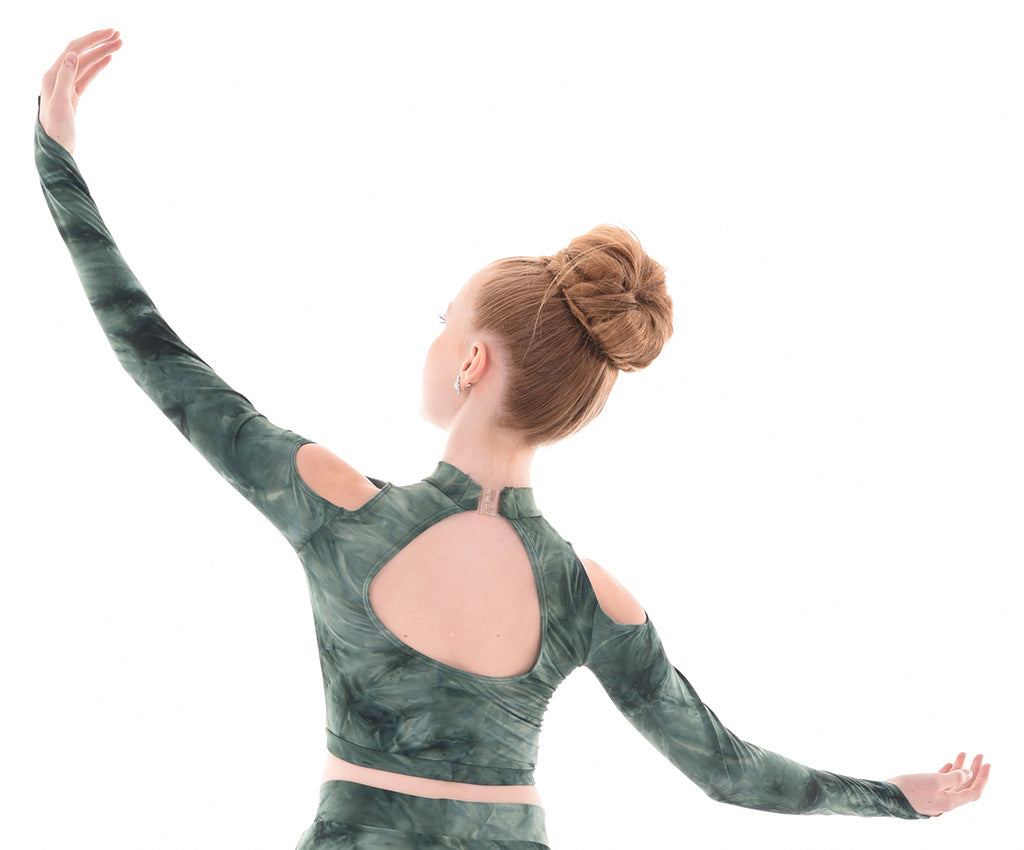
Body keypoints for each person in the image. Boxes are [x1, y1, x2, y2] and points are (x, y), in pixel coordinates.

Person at [37, 28, 990, 850]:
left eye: (442, 321)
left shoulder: (335, 504)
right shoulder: (589, 595)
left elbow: (154, 353)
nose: (432, 339)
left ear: (473, 362)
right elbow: (725, 770)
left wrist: (58, 158)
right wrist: (894, 799)